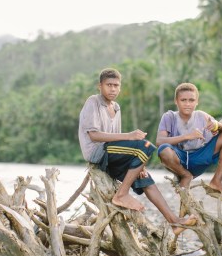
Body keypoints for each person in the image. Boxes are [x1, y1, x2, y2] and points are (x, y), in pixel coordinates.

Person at [78, 68, 196, 235]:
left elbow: (118, 141)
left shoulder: (116, 107)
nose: (112, 89)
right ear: (100, 86)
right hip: (97, 152)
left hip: (112, 153)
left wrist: (139, 165)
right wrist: (130, 136)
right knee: (145, 145)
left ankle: (174, 222)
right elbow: (94, 135)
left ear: (120, 87)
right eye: (108, 85)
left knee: (145, 178)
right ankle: (122, 195)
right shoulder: (93, 102)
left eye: (116, 85)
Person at [156, 83, 222, 196]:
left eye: (191, 100)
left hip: (199, 158)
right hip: (180, 161)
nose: (187, 104)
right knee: (164, 149)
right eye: (183, 100)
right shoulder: (169, 117)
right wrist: (186, 136)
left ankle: (217, 180)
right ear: (176, 101)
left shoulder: (202, 116)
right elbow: (159, 141)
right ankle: (185, 175)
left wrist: (217, 125)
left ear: (197, 101)